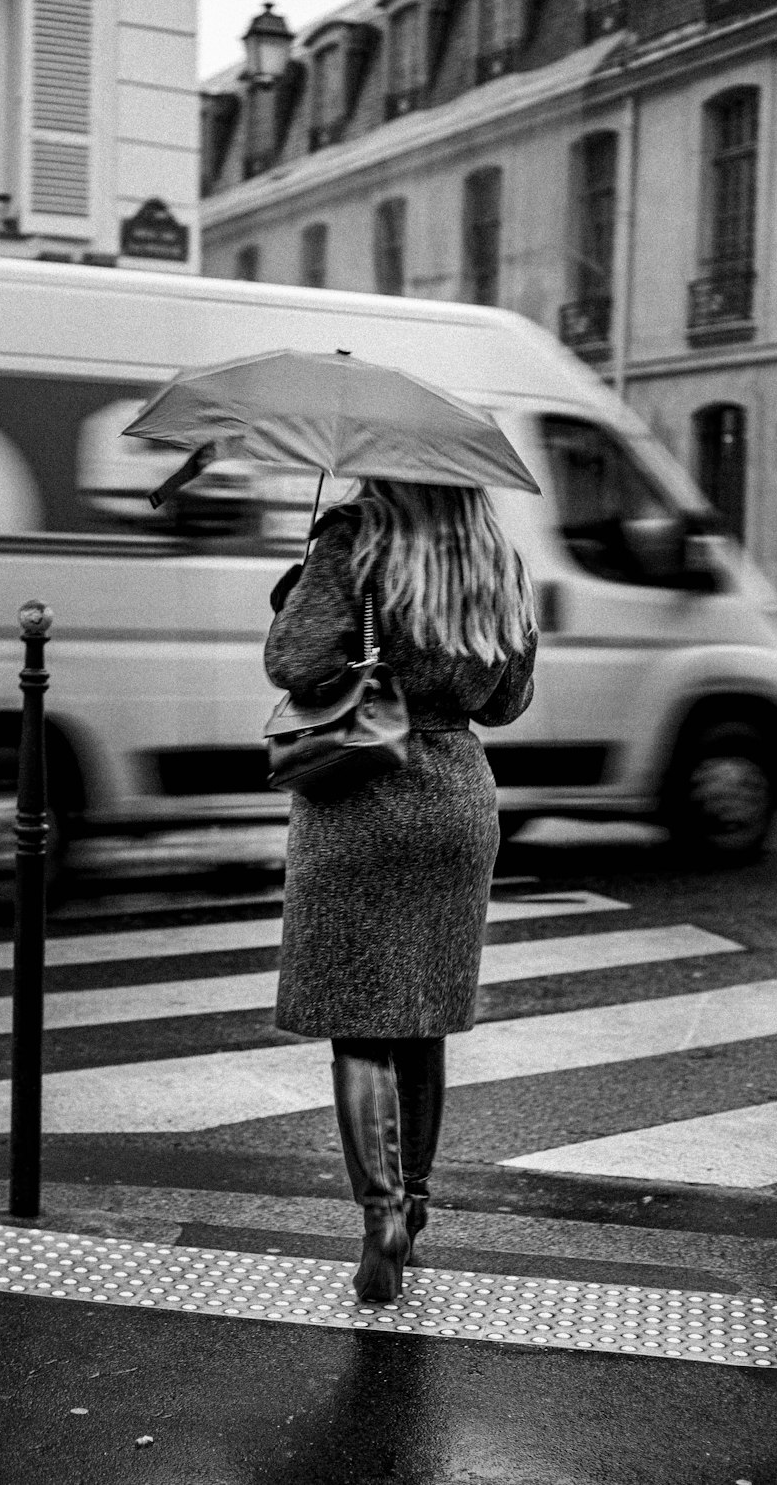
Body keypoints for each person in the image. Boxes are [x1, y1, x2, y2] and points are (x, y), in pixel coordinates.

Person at [264, 477, 538, 1304]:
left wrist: (303, 583)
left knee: (359, 1019)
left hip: (362, 793)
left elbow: (295, 661)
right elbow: (509, 700)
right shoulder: (496, 557)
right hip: (457, 796)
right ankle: (413, 1210)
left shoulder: (355, 542)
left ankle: (378, 1215)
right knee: (422, 1018)